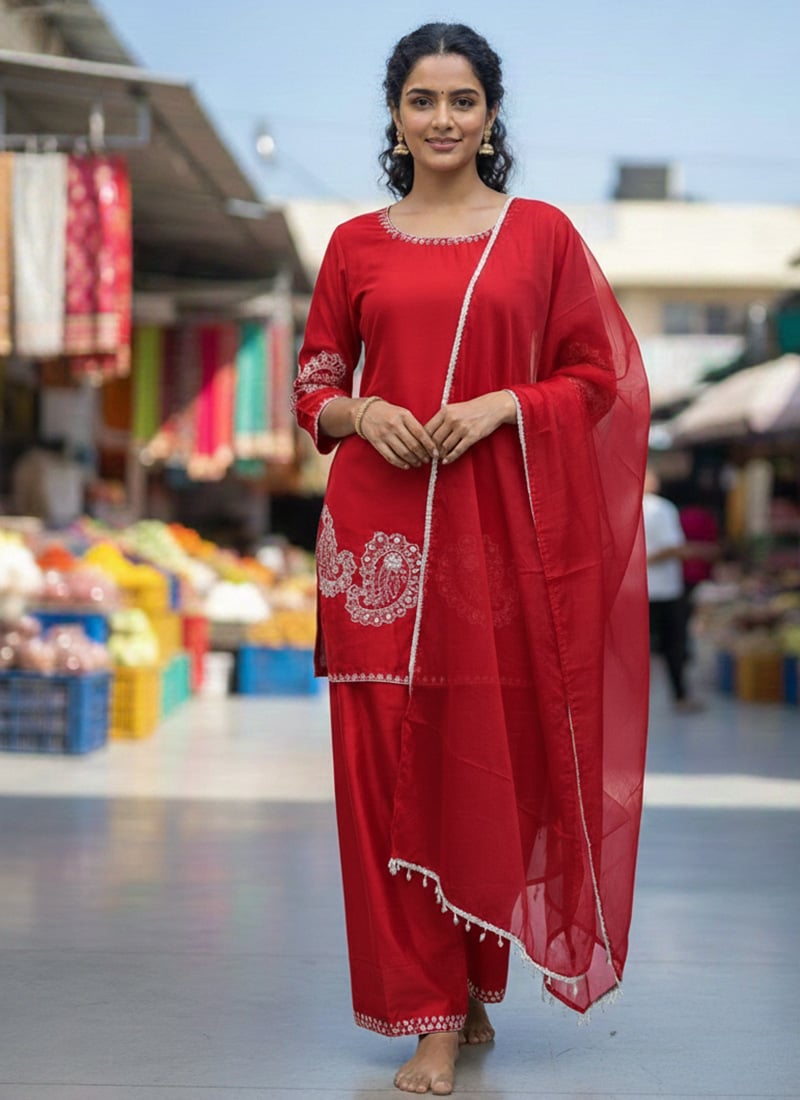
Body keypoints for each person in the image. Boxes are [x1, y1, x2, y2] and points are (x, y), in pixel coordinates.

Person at [292, 23, 650, 1096]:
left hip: (494, 541)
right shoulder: (354, 243)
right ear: (392, 116)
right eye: (419, 99)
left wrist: (506, 402)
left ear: (490, 116)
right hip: (375, 545)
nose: (440, 119)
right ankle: (426, 1013)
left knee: (480, 765)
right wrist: (358, 411)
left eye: (460, 100)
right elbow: (313, 378)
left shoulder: (538, 237)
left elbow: (600, 373)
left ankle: (469, 970)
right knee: (376, 774)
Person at [643, 469, 702, 712]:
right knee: (673, 644)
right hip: (664, 589)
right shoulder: (661, 508)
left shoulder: (619, 504)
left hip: (637, 590)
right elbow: (673, 546)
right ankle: (679, 695)